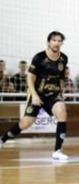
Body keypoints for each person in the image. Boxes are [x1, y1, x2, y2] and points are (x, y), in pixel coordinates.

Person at [0, 31, 69, 160]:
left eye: (59, 41)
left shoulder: (64, 58)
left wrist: (61, 93)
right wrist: (34, 95)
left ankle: (57, 151)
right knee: (26, 123)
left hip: (53, 94)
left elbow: (61, 77)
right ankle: (3, 139)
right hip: (37, 93)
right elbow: (30, 78)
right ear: (49, 42)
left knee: (62, 112)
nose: (57, 43)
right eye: (54, 40)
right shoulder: (39, 58)